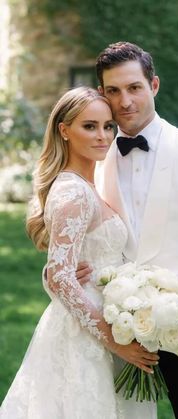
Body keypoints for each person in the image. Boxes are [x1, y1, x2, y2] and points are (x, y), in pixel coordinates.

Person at [77, 42, 178, 419]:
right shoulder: (97, 157)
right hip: (117, 325)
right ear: (102, 94)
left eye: (134, 87)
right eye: (113, 91)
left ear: (154, 86)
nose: (125, 101)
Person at [0, 86, 158, 419]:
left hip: (108, 318)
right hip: (85, 335)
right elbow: (60, 275)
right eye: (90, 126)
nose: (102, 135)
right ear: (64, 130)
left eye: (107, 126)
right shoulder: (72, 191)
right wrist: (113, 342)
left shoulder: (90, 184)